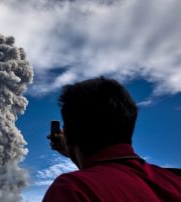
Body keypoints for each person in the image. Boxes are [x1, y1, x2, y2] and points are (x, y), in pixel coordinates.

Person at [43, 77, 181, 202]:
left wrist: (73, 148)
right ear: (128, 123)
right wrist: (72, 149)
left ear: (68, 132)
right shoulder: (174, 181)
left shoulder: (71, 190)